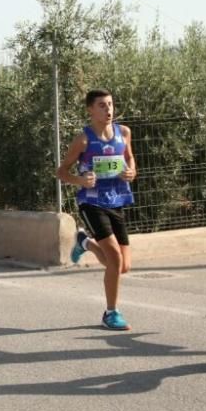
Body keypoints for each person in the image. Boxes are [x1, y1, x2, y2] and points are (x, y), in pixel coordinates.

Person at [56, 89, 137, 331]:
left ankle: (85, 243)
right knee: (114, 258)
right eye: (102, 105)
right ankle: (111, 313)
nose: (108, 109)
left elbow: (130, 159)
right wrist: (80, 181)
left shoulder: (124, 133)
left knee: (123, 266)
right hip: (91, 202)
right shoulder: (83, 139)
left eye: (110, 104)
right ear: (90, 110)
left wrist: (131, 172)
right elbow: (61, 172)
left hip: (117, 200)